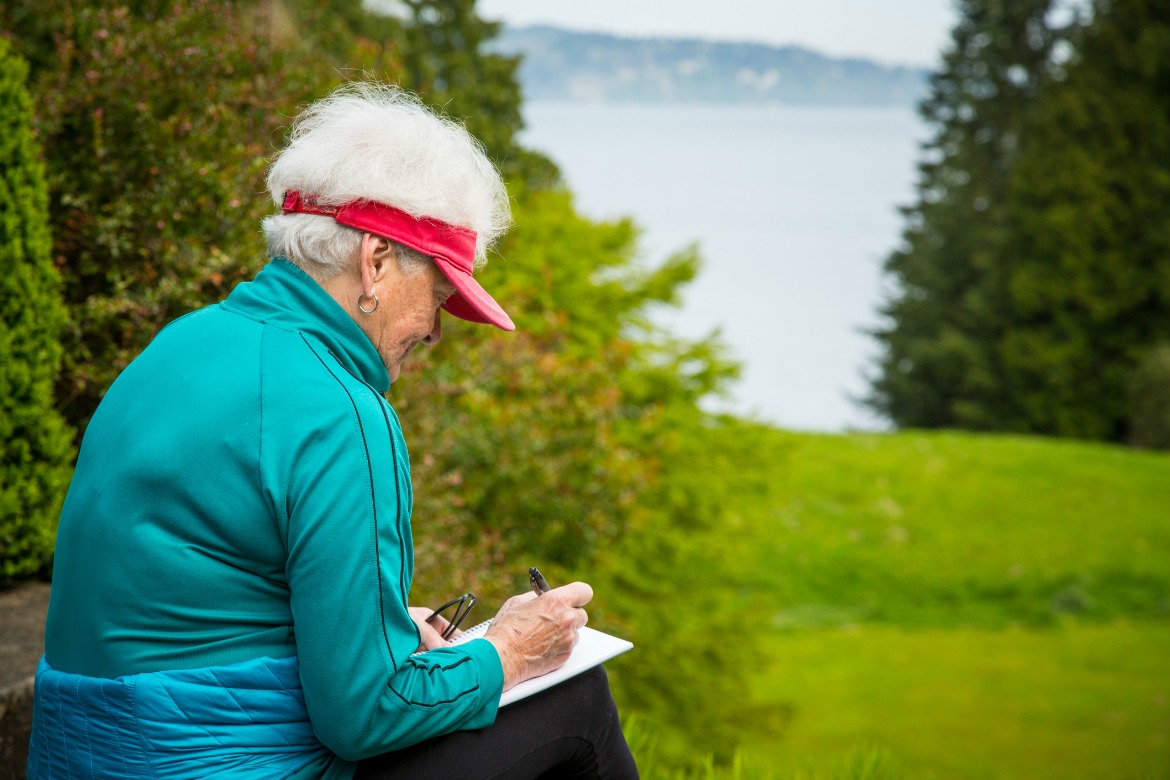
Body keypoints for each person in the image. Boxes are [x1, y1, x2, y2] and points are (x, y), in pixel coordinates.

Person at [29, 83, 638, 780]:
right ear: (375, 261)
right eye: (438, 296)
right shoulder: (340, 409)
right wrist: (505, 651)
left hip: (79, 760)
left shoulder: (178, 345)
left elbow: (197, 595)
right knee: (578, 702)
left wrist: (384, 630)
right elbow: (367, 715)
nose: (438, 330)